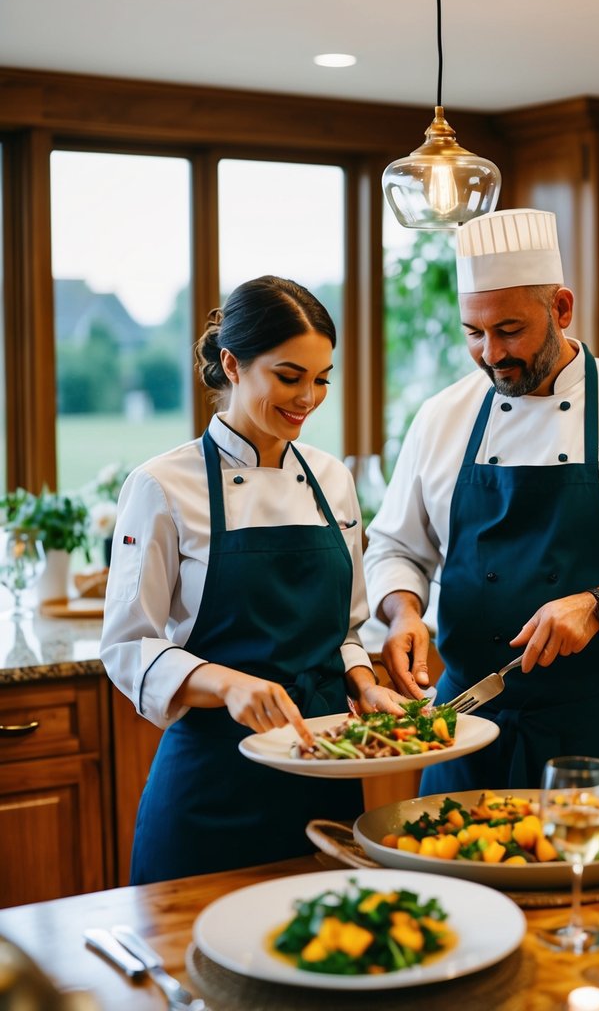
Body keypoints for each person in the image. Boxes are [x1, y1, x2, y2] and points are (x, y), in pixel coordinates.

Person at [364, 208, 599, 791]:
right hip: (460, 732)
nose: (491, 354)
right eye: (474, 333)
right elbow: (394, 545)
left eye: (510, 330)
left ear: (561, 309)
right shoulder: (441, 417)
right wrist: (403, 612)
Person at [101, 275, 404, 883]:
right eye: (289, 377)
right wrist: (229, 684)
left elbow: (345, 628)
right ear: (233, 365)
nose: (309, 398)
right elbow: (129, 646)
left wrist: (365, 684)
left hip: (324, 772)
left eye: (322, 378)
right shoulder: (162, 485)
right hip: (214, 784)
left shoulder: (333, 480)